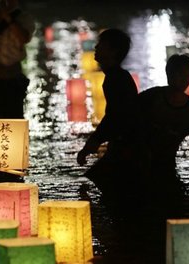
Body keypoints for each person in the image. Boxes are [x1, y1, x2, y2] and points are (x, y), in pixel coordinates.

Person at [137, 54, 189, 216]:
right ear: (168, 74)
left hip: (165, 167)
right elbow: (123, 118)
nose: (182, 79)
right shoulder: (151, 98)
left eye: (187, 75)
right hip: (137, 164)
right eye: (177, 74)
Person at [76, 28, 142, 208]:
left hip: (126, 146)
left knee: (102, 183)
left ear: (113, 52)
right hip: (125, 144)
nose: (96, 47)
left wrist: (94, 141)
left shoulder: (115, 79)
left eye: (101, 45)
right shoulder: (117, 77)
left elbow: (115, 116)